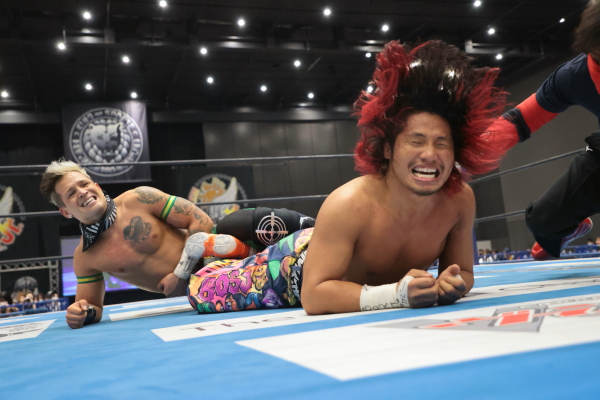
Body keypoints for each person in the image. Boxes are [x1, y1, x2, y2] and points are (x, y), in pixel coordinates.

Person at [187, 39, 515, 314]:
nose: (430, 154)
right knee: (201, 288)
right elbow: (314, 296)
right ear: (388, 149)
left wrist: (452, 284)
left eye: (441, 143)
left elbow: (463, 272)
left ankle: (248, 247)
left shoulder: (459, 200)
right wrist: (396, 295)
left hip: (328, 245)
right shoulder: (348, 203)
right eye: (416, 141)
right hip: (296, 266)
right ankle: (234, 250)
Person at [39, 160, 255, 328]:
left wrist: (181, 273)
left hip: (223, 254)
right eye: (71, 193)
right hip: (207, 291)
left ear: (96, 186)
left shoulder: (140, 199)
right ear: (65, 212)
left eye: (84, 184)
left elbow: (200, 220)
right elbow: (93, 307)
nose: (82, 192)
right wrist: (80, 313)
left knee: (253, 221)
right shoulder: (85, 257)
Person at [490, 0, 600, 260]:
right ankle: (567, 228)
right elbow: (522, 118)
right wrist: (471, 151)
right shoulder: (576, 75)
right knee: (543, 223)